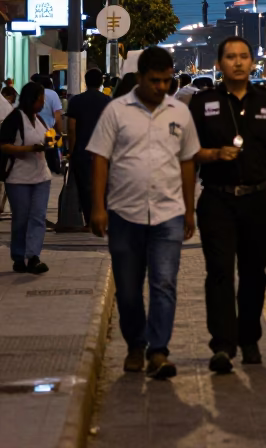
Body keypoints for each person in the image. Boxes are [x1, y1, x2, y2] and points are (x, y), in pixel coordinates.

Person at [87, 47, 199, 380]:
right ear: (140, 78)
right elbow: (100, 159)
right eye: (155, 81)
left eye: (167, 81)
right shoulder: (116, 112)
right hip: (124, 214)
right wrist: (97, 207)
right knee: (129, 287)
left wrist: (190, 211)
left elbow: (188, 161)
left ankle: (159, 350)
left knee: (164, 283)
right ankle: (136, 344)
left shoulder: (179, 112)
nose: (162, 87)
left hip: (168, 214)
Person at [190, 36, 266, 374]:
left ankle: (249, 338)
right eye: (230, 57)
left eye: (243, 57)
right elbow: (188, 153)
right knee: (220, 272)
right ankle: (222, 345)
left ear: (253, 63)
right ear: (220, 64)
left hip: (258, 199)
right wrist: (213, 154)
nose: (237, 62)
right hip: (217, 198)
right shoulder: (203, 102)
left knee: (254, 274)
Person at [0, 81, 51, 273]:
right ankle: (19, 256)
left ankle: (33, 256)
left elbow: (46, 137)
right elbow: (4, 145)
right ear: (31, 99)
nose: (42, 103)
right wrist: (28, 149)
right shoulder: (15, 118)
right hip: (18, 178)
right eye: (40, 99)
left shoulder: (39, 120)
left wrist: (51, 142)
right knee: (21, 219)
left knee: (38, 217)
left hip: (41, 177)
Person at [66, 68, 110, 225]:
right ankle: (102, 215)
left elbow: (71, 127)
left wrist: (71, 151)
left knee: (84, 186)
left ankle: (89, 219)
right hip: (103, 150)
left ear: (85, 81)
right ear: (101, 82)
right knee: (103, 183)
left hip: (82, 149)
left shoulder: (76, 101)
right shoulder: (107, 101)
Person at [35, 74, 63, 174]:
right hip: (49, 133)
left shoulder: (34, 93)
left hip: (34, 131)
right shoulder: (53, 94)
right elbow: (57, 116)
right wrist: (59, 132)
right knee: (50, 160)